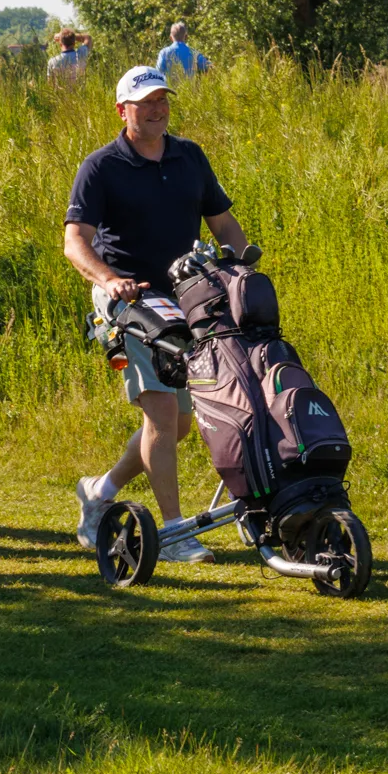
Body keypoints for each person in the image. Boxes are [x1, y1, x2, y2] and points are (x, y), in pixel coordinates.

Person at [64, 65, 251, 564]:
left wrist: (242, 259)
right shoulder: (101, 167)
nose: (157, 109)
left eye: (162, 100)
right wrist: (108, 281)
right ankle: (172, 534)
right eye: (145, 102)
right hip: (130, 303)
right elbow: (74, 242)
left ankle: (99, 492)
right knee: (163, 416)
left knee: (180, 422)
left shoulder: (189, 156)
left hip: (187, 298)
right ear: (122, 111)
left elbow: (223, 222)